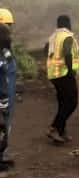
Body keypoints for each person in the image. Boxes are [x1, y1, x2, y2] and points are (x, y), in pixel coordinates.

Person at [45, 15, 79, 144]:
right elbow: (67, 53)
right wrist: (70, 71)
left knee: (63, 103)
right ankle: (54, 127)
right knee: (72, 102)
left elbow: (45, 50)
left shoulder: (53, 37)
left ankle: (61, 131)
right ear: (68, 24)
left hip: (54, 75)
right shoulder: (67, 36)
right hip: (64, 74)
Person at [0, 11, 16, 171]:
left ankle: (1, 157)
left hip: (7, 97)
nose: (9, 31)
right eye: (6, 27)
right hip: (2, 99)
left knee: (5, 130)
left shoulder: (6, 50)